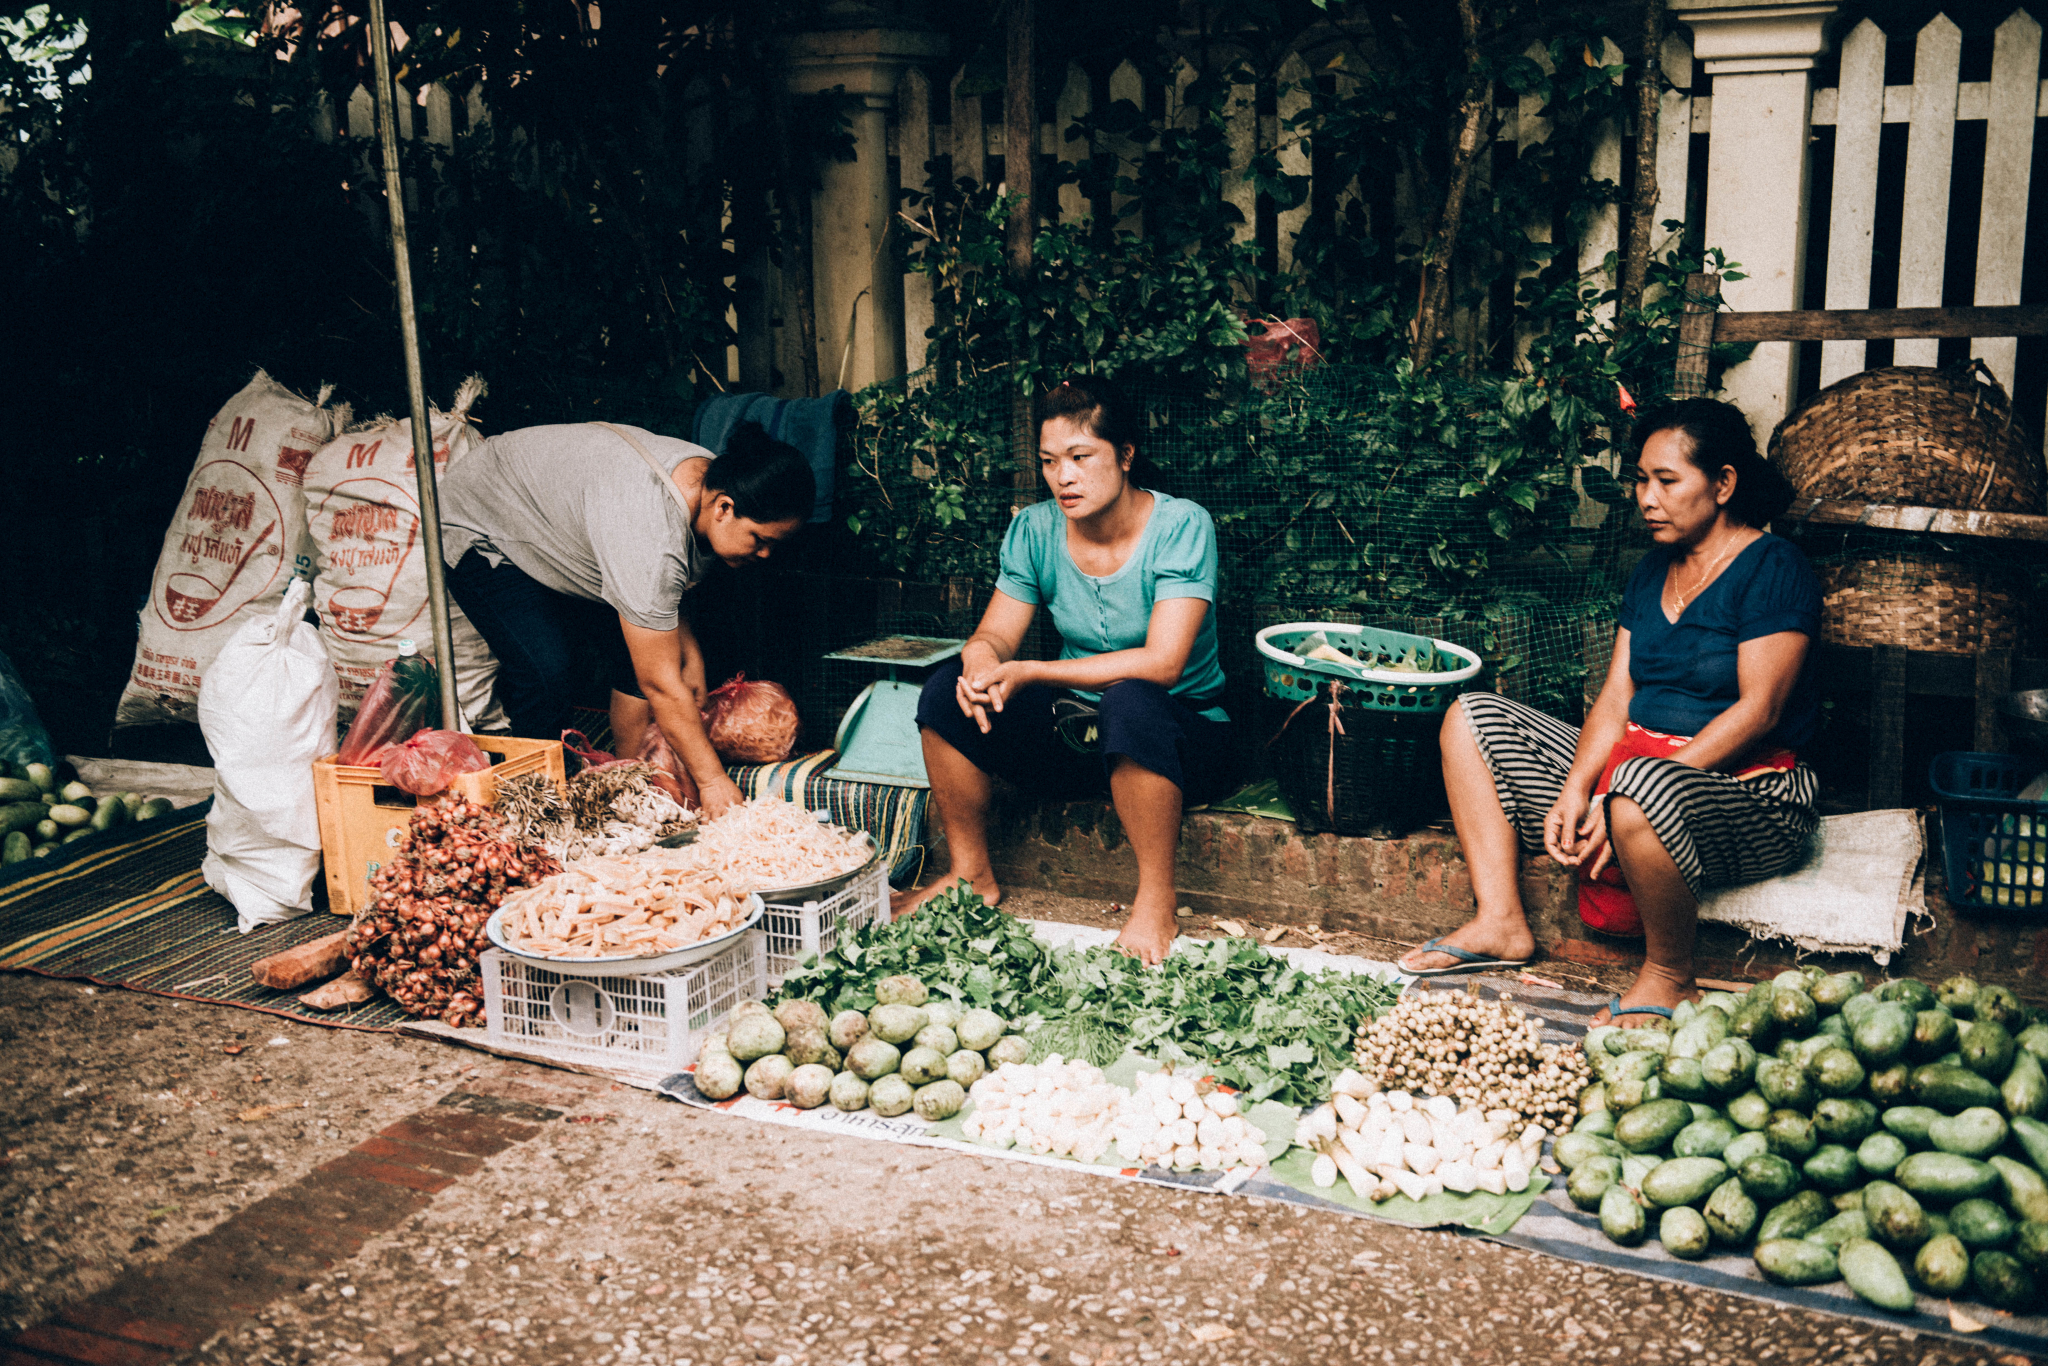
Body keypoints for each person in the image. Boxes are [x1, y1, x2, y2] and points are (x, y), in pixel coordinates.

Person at [1397, 397, 1822, 1027]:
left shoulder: (1775, 567)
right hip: (1635, 777)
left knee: (1638, 788)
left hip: (1749, 793)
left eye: (1667, 481)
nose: (1646, 498)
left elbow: (1760, 711)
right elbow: (1617, 697)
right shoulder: (1653, 570)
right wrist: (1577, 788)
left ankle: (1670, 977)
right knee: (1471, 716)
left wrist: (1629, 785)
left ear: (1724, 483)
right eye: (1641, 481)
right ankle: (1501, 921)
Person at [895, 376, 1235, 963]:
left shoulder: (1182, 526)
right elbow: (996, 634)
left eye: (1081, 458)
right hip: (1082, 737)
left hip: (1182, 740)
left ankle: (1156, 901)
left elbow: (1163, 661)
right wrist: (980, 664)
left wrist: (1030, 671)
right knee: (944, 692)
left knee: (1130, 699)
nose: (1063, 477)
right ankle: (971, 875)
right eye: (1051, 462)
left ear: (1125, 455)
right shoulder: (1034, 529)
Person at [438, 419, 814, 817]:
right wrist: (712, 781)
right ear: (724, 508)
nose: (766, 555)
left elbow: (664, 601)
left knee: (651, 664)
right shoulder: (648, 530)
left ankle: (629, 787)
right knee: (545, 668)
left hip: (567, 513)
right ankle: (541, 803)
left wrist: (692, 661)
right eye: (761, 540)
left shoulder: (716, 481)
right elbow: (660, 683)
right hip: (480, 517)